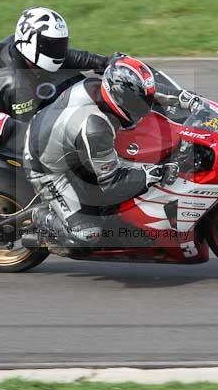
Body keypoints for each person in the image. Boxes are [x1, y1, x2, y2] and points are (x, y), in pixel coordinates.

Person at [21, 55, 200, 250]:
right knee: (86, 236)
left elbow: (146, 91)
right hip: (47, 168)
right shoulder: (96, 128)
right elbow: (112, 183)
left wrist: (183, 98)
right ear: (121, 98)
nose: (144, 107)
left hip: (60, 135)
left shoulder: (105, 87)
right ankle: (42, 218)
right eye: (139, 102)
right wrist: (155, 172)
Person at [0, 7, 110, 122]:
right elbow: (29, 135)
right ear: (30, 44)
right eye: (52, 46)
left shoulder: (15, 44)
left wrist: (102, 62)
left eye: (60, 45)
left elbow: (64, 57)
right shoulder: (18, 84)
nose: (59, 51)